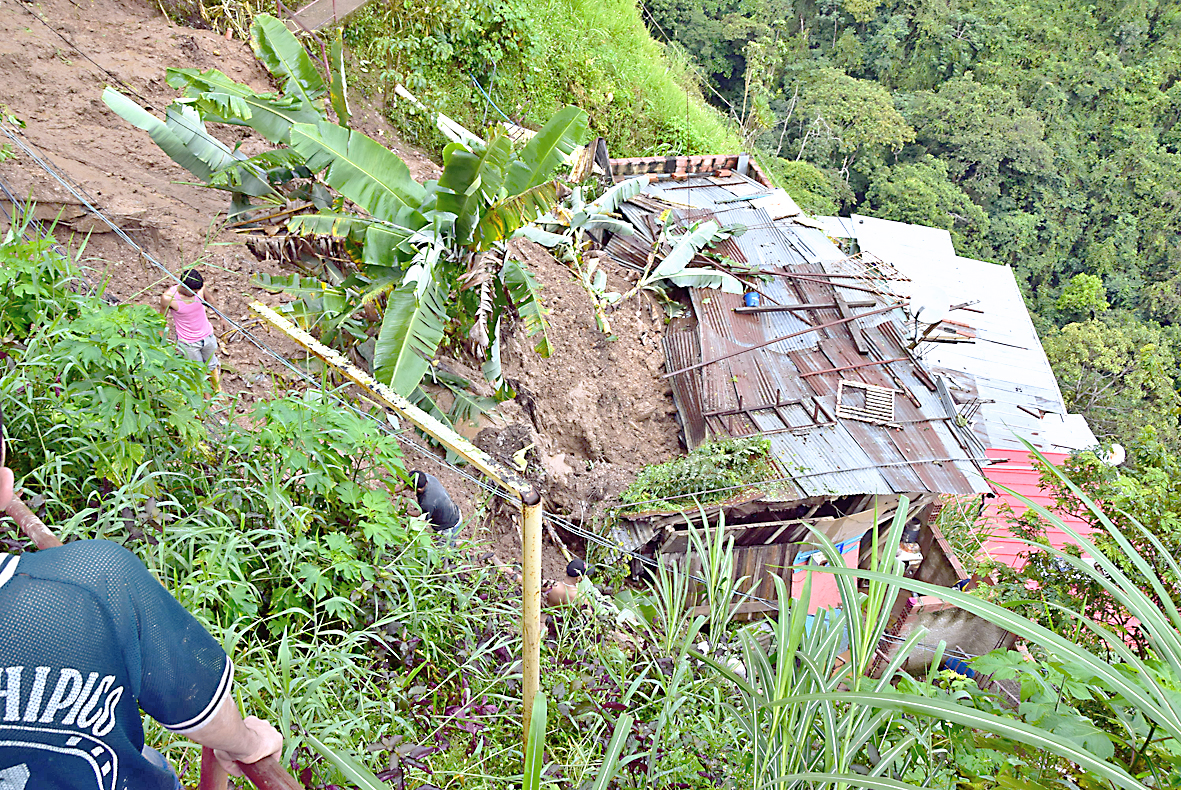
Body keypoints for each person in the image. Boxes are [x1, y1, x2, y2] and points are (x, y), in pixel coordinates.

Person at [0, 409, 282, 789]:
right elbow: (200, 706)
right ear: (5, 485)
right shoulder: (96, 579)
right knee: (151, 763)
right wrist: (249, 743)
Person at [158, 269, 226, 392]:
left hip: (207, 335)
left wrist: (221, 317)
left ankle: (217, 390)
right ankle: (204, 395)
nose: (196, 294)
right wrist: (162, 343)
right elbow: (161, 320)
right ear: (184, 286)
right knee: (196, 370)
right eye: (193, 291)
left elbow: (210, 300)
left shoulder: (200, 289)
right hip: (188, 342)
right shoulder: (169, 298)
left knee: (212, 365)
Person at [410, 470, 462, 546]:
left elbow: (421, 516)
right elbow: (404, 484)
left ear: (418, 490)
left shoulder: (428, 502)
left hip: (450, 525)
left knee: (442, 550)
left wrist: (407, 513)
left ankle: (453, 546)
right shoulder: (427, 478)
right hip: (450, 511)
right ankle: (453, 544)